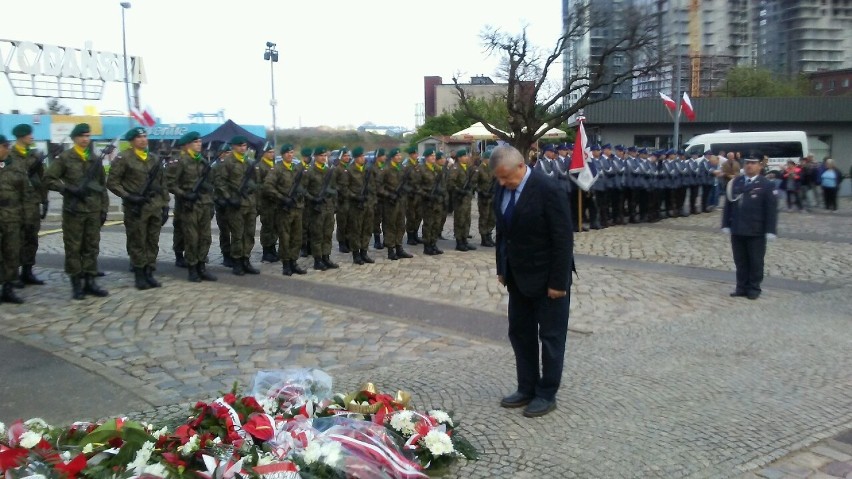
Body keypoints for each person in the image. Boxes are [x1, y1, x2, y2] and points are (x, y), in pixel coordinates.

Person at [492, 145, 573, 418]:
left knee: (550, 337)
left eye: (506, 177)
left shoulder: (548, 189)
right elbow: (504, 232)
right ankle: (526, 387)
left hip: (548, 279)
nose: (502, 183)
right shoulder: (502, 187)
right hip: (517, 277)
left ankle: (546, 393)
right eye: (498, 179)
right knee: (521, 334)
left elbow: (563, 240)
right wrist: (501, 267)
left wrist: (558, 283)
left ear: (520, 166)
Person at [44, 123, 110, 300]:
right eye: (82, 136)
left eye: (88, 136)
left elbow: (102, 187)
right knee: (74, 248)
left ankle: (90, 281)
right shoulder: (65, 158)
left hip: (93, 210)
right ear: (74, 138)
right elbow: (48, 179)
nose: (85, 139)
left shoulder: (95, 159)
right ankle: (76, 284)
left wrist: (104, 209)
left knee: (91, 247)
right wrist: (67, 189)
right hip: (74, 212)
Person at [107, 127, 170, 290]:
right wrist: (128, 196)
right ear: (131, 140)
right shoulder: (123, 158)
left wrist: (165, 205)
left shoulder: (154, 158)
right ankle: (139, 275)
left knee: (152, 241)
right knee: (137, 241)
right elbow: (112, 182)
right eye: (139, 137)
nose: (143, 139)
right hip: (136, 207)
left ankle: (149, 272)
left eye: (144, 136)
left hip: (154, 206)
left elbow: (162, 184)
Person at [721, 156, 778, 300]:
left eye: (753, 163)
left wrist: (770, 230)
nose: (749, 166)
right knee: (740, 260)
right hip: (738, 228)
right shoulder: (736, 182)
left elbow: (771, 209)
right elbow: (728, 205)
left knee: (755, 261)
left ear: (759, 166)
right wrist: (726, 224)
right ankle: (741, 287)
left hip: (756, 230)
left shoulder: (766, 184)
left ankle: (754, 288)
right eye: (747, 163)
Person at [166, 131, 217, 282]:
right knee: (192, 238)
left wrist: (211, 201)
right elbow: (170, 184)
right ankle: (192, 268)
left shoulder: (202, 161)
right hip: (188, 205)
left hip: (204, 204)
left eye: (200, 141)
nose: (199, 144)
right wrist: (184, 194)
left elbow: (210, 184)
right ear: (187, 144)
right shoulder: (180, 161)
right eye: (195, 142)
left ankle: (202, 266)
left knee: (205, 237)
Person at [212, 136, 260, 276]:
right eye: (239, 146)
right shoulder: (227, 162)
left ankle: (246, 260)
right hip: (236, 204)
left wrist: (254, 194)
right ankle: (237, 262)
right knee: (238, 235)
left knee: (249, 233)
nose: (242, 148)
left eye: (244, 145)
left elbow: (256, 182)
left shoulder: (249, 162)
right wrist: (229, 198)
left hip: (249, 203)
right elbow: (220, 183)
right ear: (233, 146)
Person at [8, 123, 48, 287]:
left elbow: (42, 180)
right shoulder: (8, 155)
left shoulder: (34, 155)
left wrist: (45, 199)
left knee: (32, 239)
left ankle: (27, 271)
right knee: (15, 240)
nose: (31, 137)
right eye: (29, 134)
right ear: (21, 136)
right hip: (14, 206)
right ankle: (13, 274)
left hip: (32, 204)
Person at [263, 144, 308, 276]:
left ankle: (294, 262)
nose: (290, 155)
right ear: (282, 155)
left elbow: (303, 185)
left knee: (297, 237)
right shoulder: (276, 169)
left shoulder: (296, 169)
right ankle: (286, 264)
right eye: (287, 153)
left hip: (297, 208)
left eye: (292, 152)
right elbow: (268, 186)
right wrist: (282, 198)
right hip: (284, 209)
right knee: (285, 237)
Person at [302, 146, 339, 270]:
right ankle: (317, 260)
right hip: (316, 208)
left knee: (328, 234)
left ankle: (326, 257)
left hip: (328, 208)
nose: (323, 158)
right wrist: (313, 199)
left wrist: (334, 204)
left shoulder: (329, 171)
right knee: (317, 235)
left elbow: (334, 189)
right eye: (321, 156)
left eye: (325, 156)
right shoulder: (310, 171)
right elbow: (302, 190)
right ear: (315, 157)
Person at [0, 135, 27, 304]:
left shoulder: (15, 167)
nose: (7, 149)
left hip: (11, 218)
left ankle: (8, 288)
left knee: (11, 254)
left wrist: (23, 215)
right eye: (4, 146)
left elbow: (24, 192)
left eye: (7, 145)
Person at [378, 148, 413, 260]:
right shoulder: (386, 169)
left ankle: (399, 247)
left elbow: (407, 183)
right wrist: (389, 195)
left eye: (400, 155)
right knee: (390, 225)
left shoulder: (402, 168)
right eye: (397, 155)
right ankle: (390, 249)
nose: (399, 157)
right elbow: (379, 187)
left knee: (401, 225)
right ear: (392, 157)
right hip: (390, 202)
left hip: (401, 201)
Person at [345, 147, 376, 265]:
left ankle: (364, 252)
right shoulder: (350, 171)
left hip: (368, 204)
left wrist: (372, 201)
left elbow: (373, 187)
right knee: (356, 230)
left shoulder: (367, 170)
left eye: (364, 156)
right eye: (361, 156)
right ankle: (356, 254)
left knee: (367, 229)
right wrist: (355, 196)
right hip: (356, 205)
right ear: (356, 158)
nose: (363, 158)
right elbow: (345, 189)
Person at [449, 149, 477, 252]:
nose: (467, 158)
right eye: (465, 156)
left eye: (467, 156)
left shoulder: (468, 168)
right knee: (459, 219)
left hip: (467, 198)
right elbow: (451, 183)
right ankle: (459, 241)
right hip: (459, 198)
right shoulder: (455, 168)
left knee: (467, 219)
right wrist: (459, 191)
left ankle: (465, 239)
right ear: (460, 158)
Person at [257, 143, 279, 263]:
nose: (272, 154)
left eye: (273, 152)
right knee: (267, 227)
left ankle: (272, 248)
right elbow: (258, 185)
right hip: (266, 202)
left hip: (275, 202)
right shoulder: (260, 166)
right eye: (269, 152)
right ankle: (266, 251)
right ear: (264, 153)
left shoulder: (275, 165)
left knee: (275, 226)